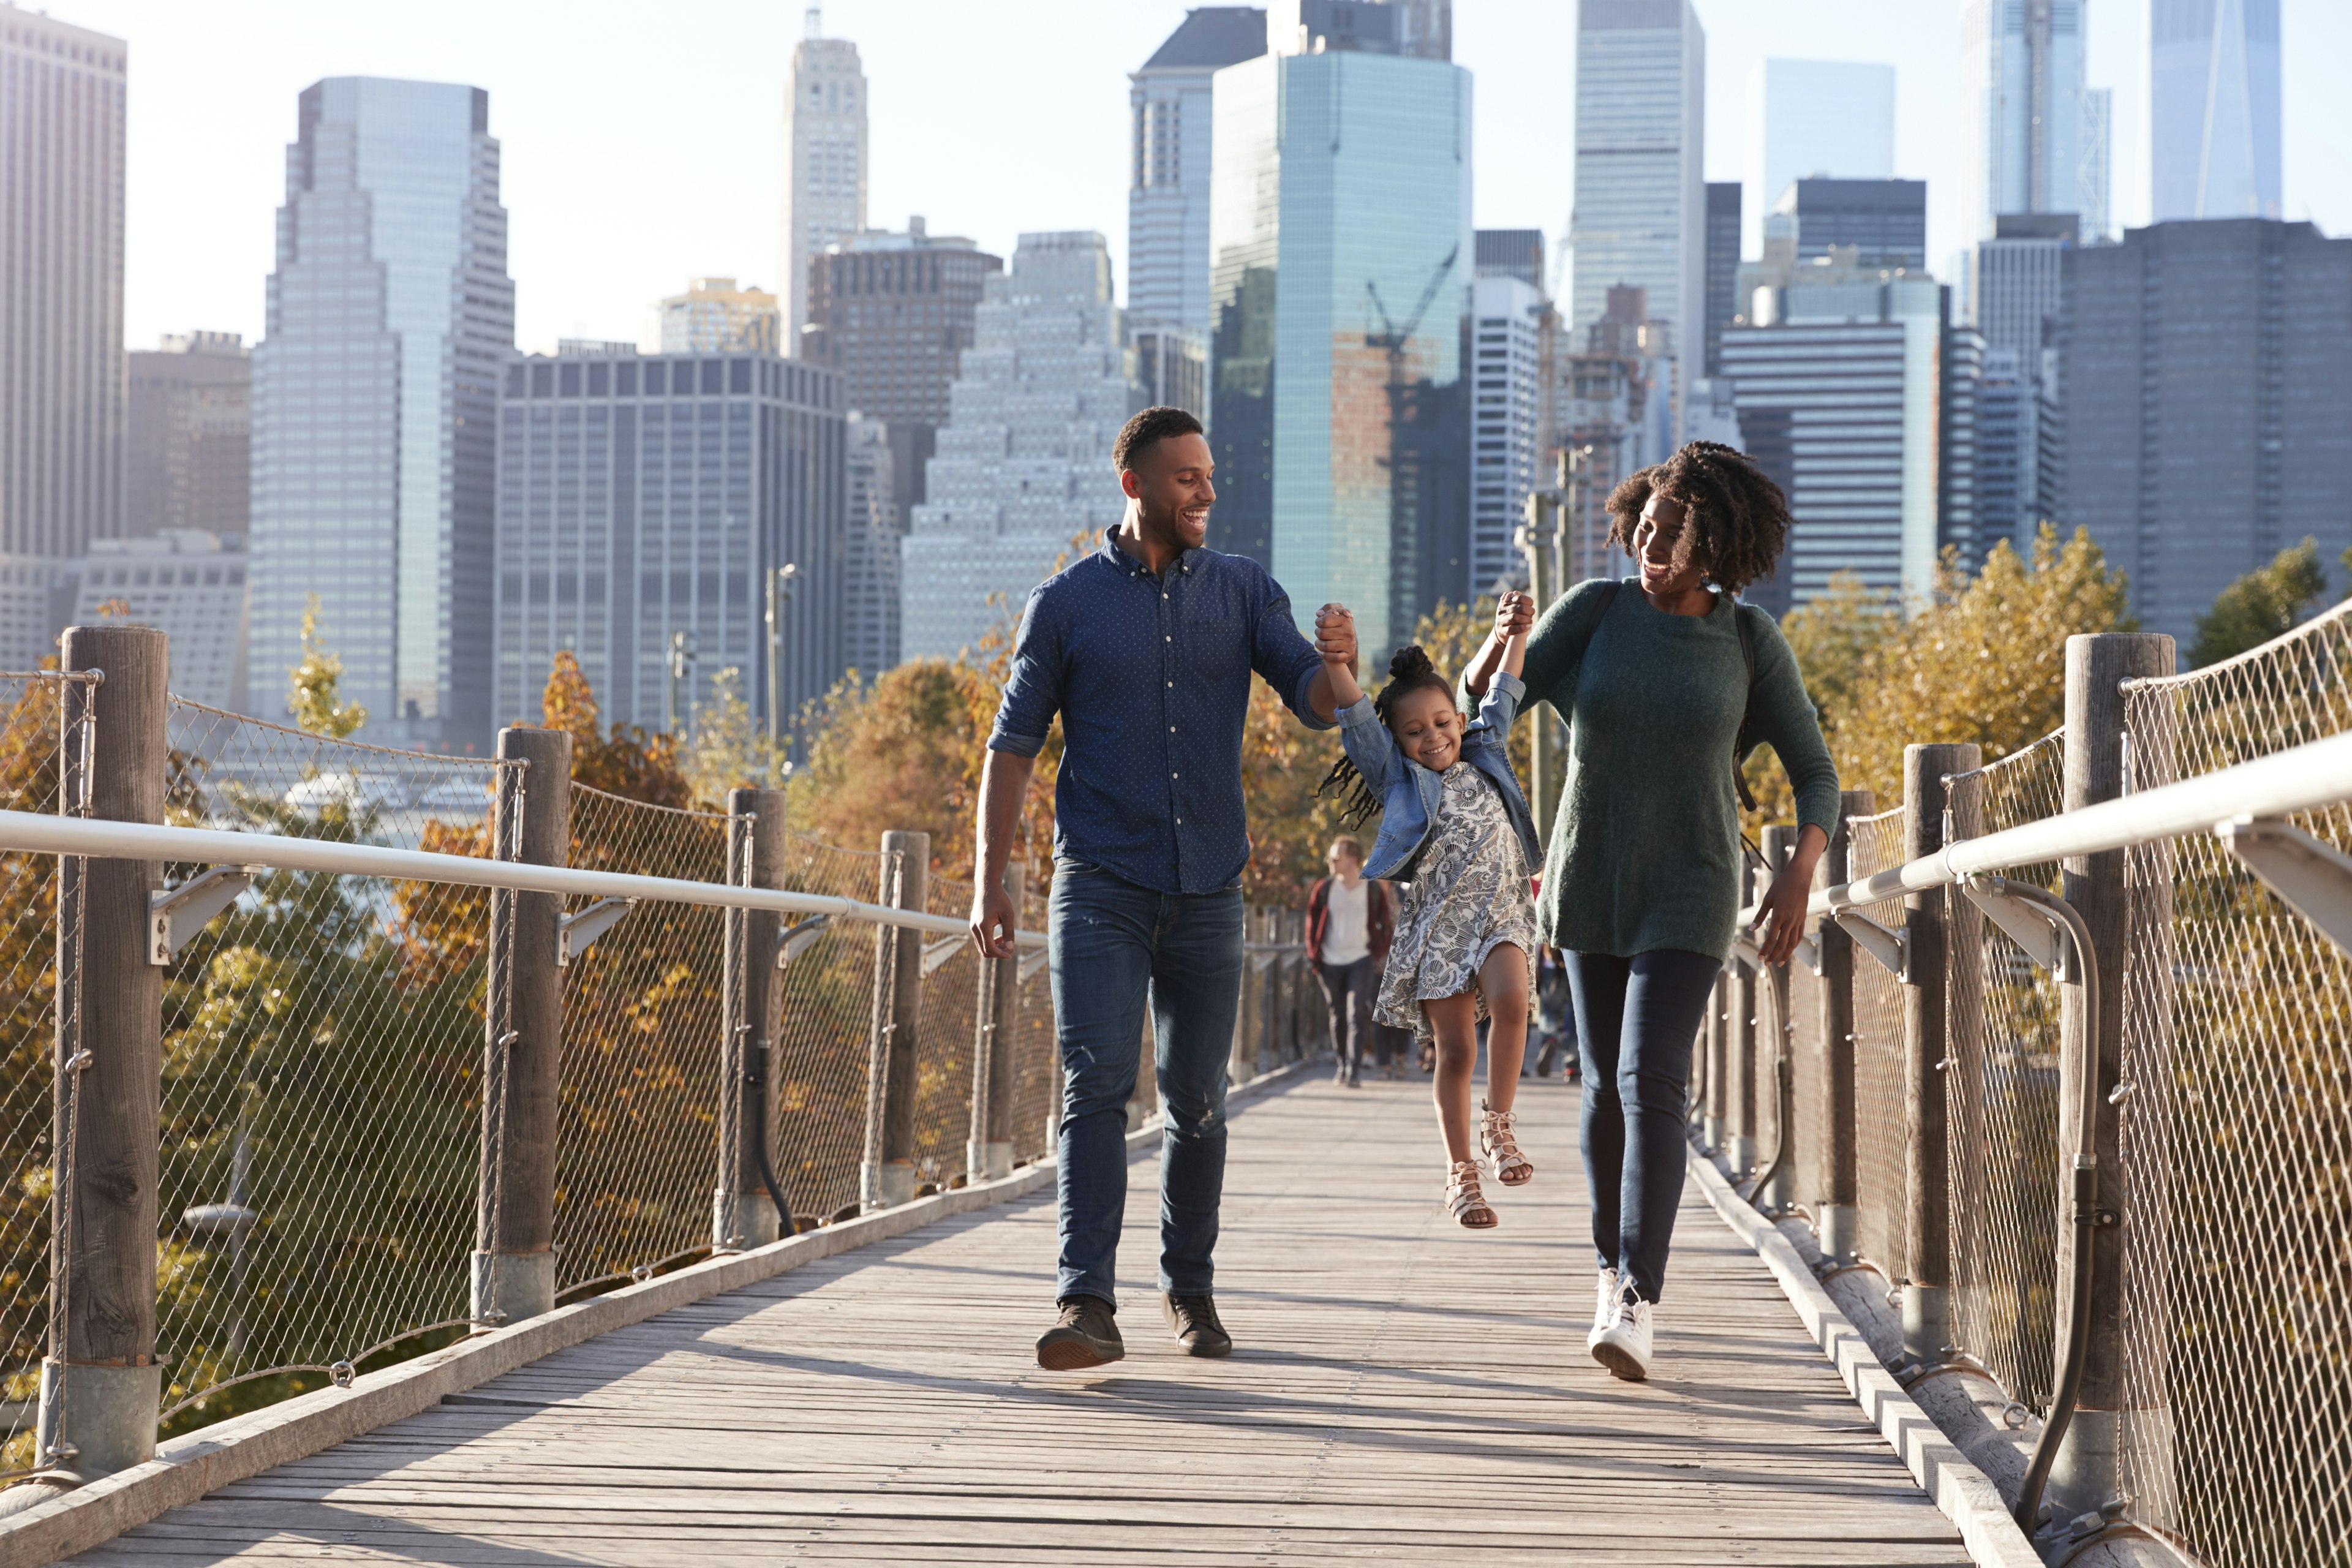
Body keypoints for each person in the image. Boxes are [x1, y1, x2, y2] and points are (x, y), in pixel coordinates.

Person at [968, 405, 1360, 1372]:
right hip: (1099, 880)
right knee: (1094, 1085)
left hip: (1208, 889)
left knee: (1199, 1099)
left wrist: (1341, 666)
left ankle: (1190, 1289)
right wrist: (991, 882)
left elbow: (1311, 699)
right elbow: (1010, 749)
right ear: (1135, 483)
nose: (1207, 492)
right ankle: (1086, 1304)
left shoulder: (1243, 590)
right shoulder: (1065, 605)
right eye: (1187, 477)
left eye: (1212, 476)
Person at [1468, 440, 1838, 1382]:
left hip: (1694, 881)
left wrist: (1798, 876)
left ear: (1714, 541)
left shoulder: (1749, 641)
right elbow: (1487, 704)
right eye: (1645, 523)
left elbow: (1816, 773)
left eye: (1674, 530)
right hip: (1591, 877)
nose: (1650, 540)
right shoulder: (1593, 613)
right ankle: (1606, 1272)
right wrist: (1497, 643)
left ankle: (1638, 1296)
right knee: (1601, 1090)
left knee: (1651, 1079)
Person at [1314, 594, 1544, 1230]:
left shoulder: (1484, 745)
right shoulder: (1395, 776)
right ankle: (1461, 1175)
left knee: (1513, 1001)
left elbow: (1506, 687)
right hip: (1439, 924)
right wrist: (1337, 660)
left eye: (1443, 722)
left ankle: (1499, 1126)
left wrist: (1513, 633)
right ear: (1399, 740)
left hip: (1499, 910)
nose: (1434, 737)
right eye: (1416, 731)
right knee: (1456, 1051)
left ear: (1458, 718)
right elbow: (1357, 714)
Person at [1307, 835, 1392, 1087]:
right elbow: (1312, 926)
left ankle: (1354, 1071)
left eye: (1336, 857)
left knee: (1357, 1013)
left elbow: (1385, 924)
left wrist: (1376, 952)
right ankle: (1342, 1064)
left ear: (1353, 859)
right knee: (1337, 1015)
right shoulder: (1324, 888)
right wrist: (1315, 957)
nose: (1330, 861)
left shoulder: (1372, 888)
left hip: (1360, 959)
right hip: (1330, 962)